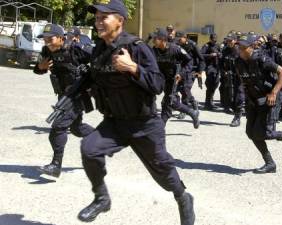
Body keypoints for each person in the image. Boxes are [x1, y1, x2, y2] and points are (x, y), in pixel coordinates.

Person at [78, 1, 195, 224]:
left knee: (163, 171)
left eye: (104, 17)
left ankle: (183, 197)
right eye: (97, 18)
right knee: (89, 148)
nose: (98, 22)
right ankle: (102, 198)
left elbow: (158, 84)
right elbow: (94, 79)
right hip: (114, 122)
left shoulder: (137, 47)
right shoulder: (99, 49)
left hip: (144, 123)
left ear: (120, 21)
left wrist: (133, 67)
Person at [34, 24, 94, 178]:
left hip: (78, 94)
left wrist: (89, 73)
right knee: (76, 128)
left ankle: (56, 165)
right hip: (63, 96)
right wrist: (41, 67)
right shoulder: (46, 51)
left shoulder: (76, 48)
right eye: (44, 39)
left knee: (58, 128)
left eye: (50, 39)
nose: (47, 42)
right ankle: (100, 138)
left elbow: (100, 58)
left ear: (61, 38)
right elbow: (37, 69)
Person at [235, 34, 282, 174]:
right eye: (239, 47)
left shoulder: (261, 59)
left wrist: (273, 92)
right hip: (253, 100)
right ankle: (270, 163)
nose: (240, 50)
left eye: (243, 47)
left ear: (252, 47)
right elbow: (244, 81)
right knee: (250, 132)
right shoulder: (238, 62)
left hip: (269, 98)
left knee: (264, 132)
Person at [152, 29, 200, 128]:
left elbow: (189, 61)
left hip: (175, 79)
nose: (153, 40)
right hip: (163, 80)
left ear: (162, 40)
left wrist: (181, 74)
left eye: (155, 38)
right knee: (168, 103)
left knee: (170, 101)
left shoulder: (175, 49)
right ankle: (192, 113)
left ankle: (160, 127)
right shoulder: (154, 50)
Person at [175, 31, 205, 119]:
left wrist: (199, 72)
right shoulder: (178, 45)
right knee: (180, 89)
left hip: (192, 70)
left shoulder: (192, 45)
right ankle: (193, 103)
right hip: (182, 69)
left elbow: (201, 59)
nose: (178, 41)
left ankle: (184, 110)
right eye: (177, 39)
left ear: (185, 38)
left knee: (185, 88)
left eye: (180, 39)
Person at [201, 33, 221, 110]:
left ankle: (210, 101)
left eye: (215, 39)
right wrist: (210, 55)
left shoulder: (218, 45)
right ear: (210, 39)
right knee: (209, 85)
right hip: (210, 67)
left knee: (215, 84)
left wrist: (219, 54)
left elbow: (221, 53)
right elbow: (201, 54)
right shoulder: (206, 45)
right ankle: (207, 103)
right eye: (212, 39)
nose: (214, 41)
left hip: (217, 67)